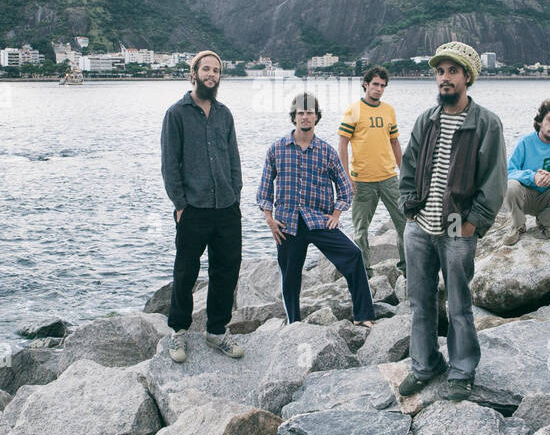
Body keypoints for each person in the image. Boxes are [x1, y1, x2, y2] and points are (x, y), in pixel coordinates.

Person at [397, 42, 507, 402]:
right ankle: (425, 365)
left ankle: (462, 370)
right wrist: (408, 209)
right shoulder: (426, 120)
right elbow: (409, 168)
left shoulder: (486, 123)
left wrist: (474, 223)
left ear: (468, 77)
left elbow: (495, 180)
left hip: (458, 231)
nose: (444, 78)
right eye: (440, 71)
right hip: (419, 230)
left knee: (458, 305)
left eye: (452, 71)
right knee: (420, 302)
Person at [258, 92, 376, 326]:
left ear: (316, 117)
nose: (305, 117)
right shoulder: (277, 149)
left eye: (309, 113)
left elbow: (345, 187)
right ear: (294, 117)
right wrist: (269, 219)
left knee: (353, 255)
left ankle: (363, 316)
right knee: (290, 278)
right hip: (287, 224)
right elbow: (264, 189)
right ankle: (294, 323)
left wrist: (336, 214)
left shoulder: (327, 151)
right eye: (300, 113)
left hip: (319, 221)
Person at [159, 50, 245, 363]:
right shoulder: (176, 114)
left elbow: (233, 158)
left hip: (226, 207)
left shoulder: (224, 114)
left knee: (226, 270)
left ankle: (217, 331)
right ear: (193, 74)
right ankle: (178, 331)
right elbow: (170, 164)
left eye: (216, 70)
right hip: (193, 208)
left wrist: (235, 193)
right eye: (205, 69)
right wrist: (180, 205)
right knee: (186, 271)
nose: (211, 74)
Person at [338, 66, 406, 277]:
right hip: (362, 180)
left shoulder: (389, 110)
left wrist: (404, 171)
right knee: (360, 231)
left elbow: (395, 143)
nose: (378, 89)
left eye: (382, 86)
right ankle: (364, 272)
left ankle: (407, 267)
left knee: (405, 224)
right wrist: (346, 177)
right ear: (366, 84)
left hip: (389, 179)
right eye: (375, 84)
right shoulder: (353, 110)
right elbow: (342, 145)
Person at [502, 98, 550, 243]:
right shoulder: (526, 142)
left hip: (548, 196)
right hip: (526, 197)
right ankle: (518, 225)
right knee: (510, 186)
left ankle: (545, 222)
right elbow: (508, 171)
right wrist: (533, 177)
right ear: (539, 122)